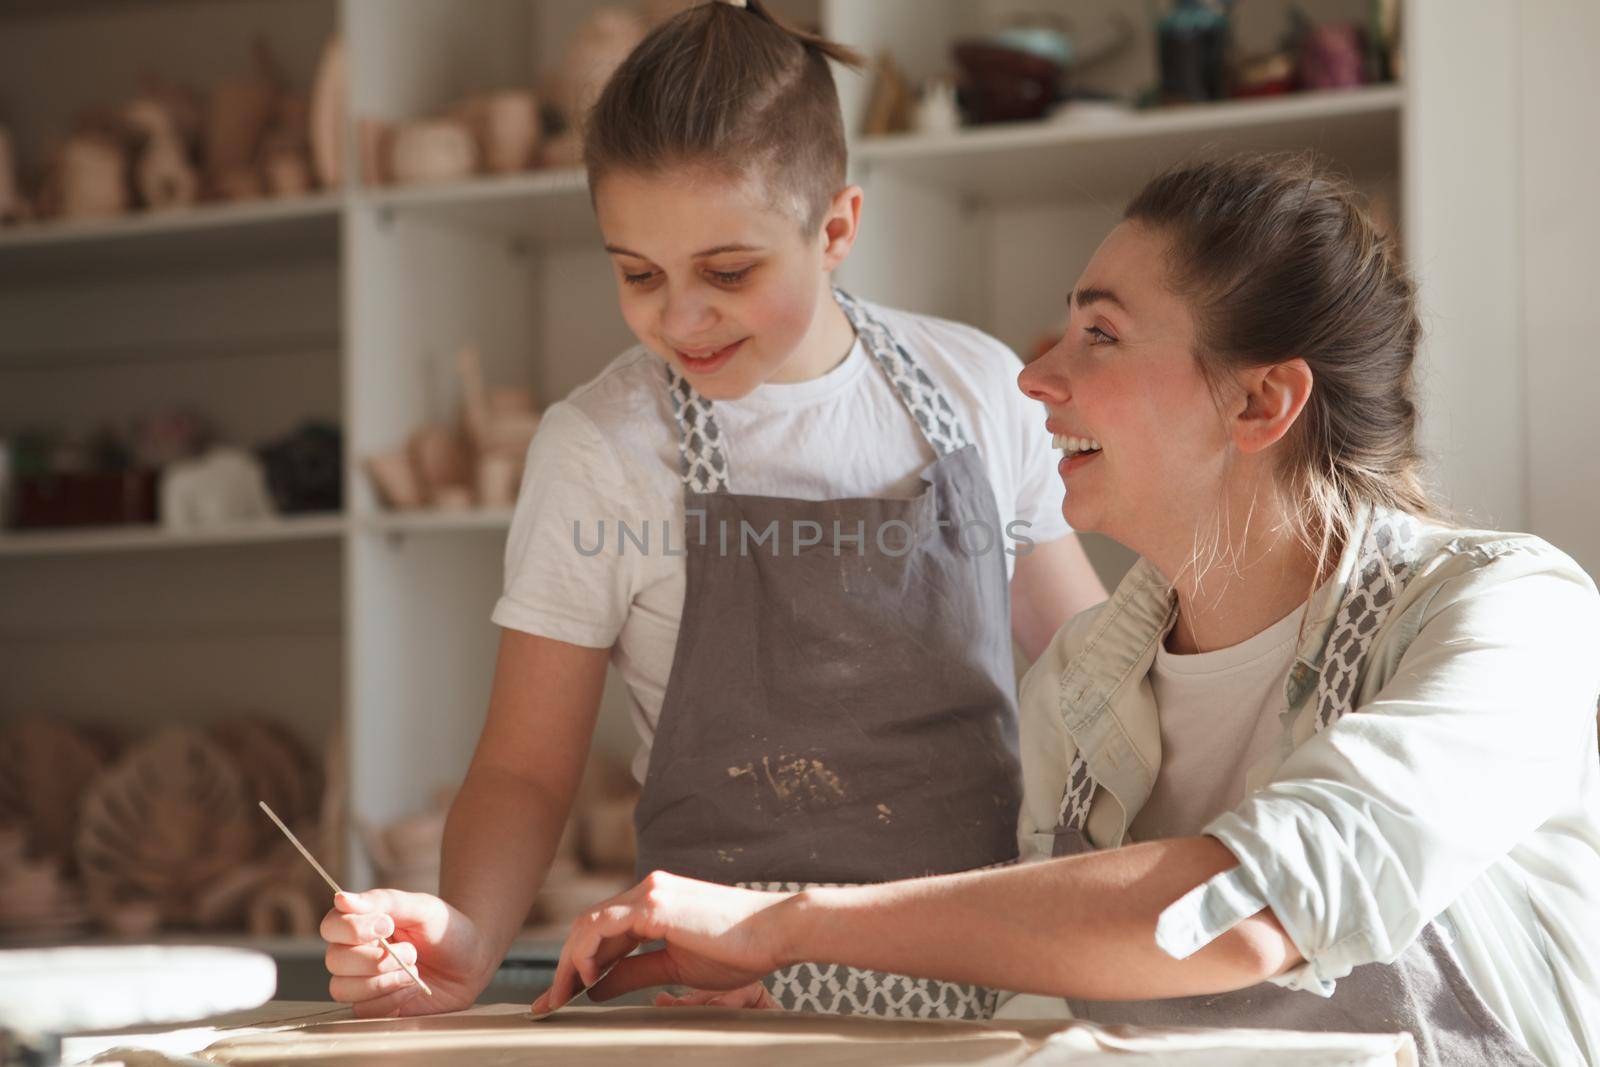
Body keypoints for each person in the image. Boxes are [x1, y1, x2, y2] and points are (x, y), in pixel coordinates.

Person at [530, 154, 1600, 1067]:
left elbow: (1243, 907)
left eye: (1099, 335)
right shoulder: (1084, 679)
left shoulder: (1508, 614)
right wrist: (782, 974)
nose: (1036, 377)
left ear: (1259, 400)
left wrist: (782, 920)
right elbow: (1032, 975)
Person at [316, 0, 1107, 1022]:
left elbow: (1095, 680)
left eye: (727, 272)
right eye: (637, 274)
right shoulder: (601, 447)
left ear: (834, 229)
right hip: (722, 1007)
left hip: (988, 983)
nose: (679, 318)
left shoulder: (978, 390)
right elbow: (521, 765)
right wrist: (466, 933)